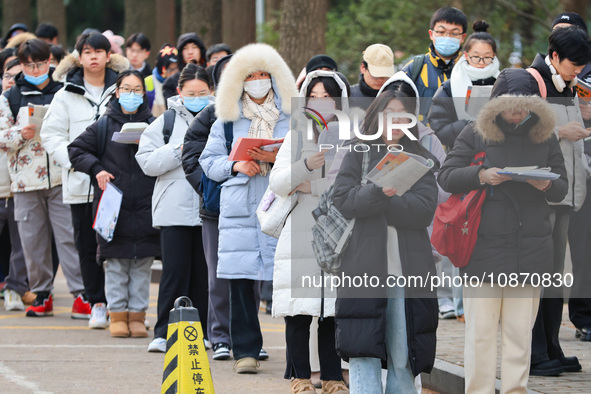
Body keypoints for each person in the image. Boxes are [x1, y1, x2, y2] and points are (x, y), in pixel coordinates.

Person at [438, 67, 568, 393]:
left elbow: (561, 187)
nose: (517, 113)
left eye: (524, 106)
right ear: (495, 104)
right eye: (510, 105)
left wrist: (545, 185)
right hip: (484, 249)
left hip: (532, 250)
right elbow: (447, 175)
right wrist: (482, 175)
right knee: (480, 335)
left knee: (519, 335)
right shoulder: (474, 132)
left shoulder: (546, 135)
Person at [331, 88, 439, 393]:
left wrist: (384, 200)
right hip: (364, 267)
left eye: (402, 116)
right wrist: (379, 192)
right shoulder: (357, 151)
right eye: (388, 115)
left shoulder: (420, 157)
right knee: (363, 352)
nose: (395, 122)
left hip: (408, 271)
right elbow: (343, 199)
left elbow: (424, 211)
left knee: (403, 353)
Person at [199, 43, 297, 374]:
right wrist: (236, 165)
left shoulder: (292, 116)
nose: (258, 81)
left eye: (264, 75)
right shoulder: (226, 120)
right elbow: (208, 161)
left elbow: (307, 155)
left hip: (281, 203)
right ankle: (246, 351)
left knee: (286, 281)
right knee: (240, 282)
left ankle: (297, 355)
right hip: (240, 209)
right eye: (250, 76)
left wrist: (276, 158)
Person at [40, 32, 130, 328]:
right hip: (81, 186)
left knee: (118, 242)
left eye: (99, 51)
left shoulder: (123, 89)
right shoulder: (64, 94)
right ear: (78, 57)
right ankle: (97, 303)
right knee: (87, 245)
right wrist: (76, 163)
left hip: (118, 184)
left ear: (108, 56)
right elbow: (51, 136)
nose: (93, 57)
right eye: (87, 52)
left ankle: (122, 303)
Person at [269, 70, 350, 394]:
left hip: (337, 231)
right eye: (314, 96)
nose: (321, 102)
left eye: (327, 96)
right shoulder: (295, 135)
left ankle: (332, 378)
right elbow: (278, 184)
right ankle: (300, 377)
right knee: (297, 312)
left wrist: (310, 184)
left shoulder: (351, 136)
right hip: (300, 232)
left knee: (331, 311)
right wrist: (305, 166)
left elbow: (348, 184)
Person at [68, 69, 159, 338]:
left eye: (137, 90)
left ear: (144, 94)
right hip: (113, 209)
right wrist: (96, 169)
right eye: (126, 90)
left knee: (142, 266)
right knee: (117, 266)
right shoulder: (104, 125)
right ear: (117, 92)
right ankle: (117, 315)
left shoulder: (154, 124)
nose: (132, 95)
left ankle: (138, 316)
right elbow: (76, 150)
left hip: (145, 207)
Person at [0, 39, 85, 317]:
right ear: (21, 65)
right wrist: (17, 135)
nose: (35, 69)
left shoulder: (64, 91)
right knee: (32, 240)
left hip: (62, 176)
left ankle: (81, 293)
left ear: (50, 61)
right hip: (25, 181)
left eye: (39, 63)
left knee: (68, 237)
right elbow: (2, 136)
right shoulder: (10, 96)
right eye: (28, 65)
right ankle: (41, 293)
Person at [527, 26, 591, 376]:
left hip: (566, 195)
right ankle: (535, 351)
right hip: (544, 196)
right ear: (554, 57)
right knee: (539, 276)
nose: (577, 71)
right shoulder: (533, 81)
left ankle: (552, 344)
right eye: (572, 65)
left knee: (553, 278)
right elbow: (516, 127)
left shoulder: (569, 84)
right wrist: (560, 131)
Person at [136, 62, 213, 352]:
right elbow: (147, 162)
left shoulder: (221, 119)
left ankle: (201, 333)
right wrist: (179, 149)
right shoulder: (164, 122)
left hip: (209, 209)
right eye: (191, 93)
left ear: (211, 91)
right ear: (179, 92)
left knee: (204, 275)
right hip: (174, 209)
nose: (197, 98)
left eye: (202, 92)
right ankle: (163, 332)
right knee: (174, 272)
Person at [182, 54, 235, 361]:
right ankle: (220, 336)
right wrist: (211, 187)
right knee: (217, 275)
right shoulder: (210, 114)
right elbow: (191, 156)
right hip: (216, 208)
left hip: (252, 207)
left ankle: (247, 335)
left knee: (251, 277)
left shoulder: (266, 113)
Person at [549, 12, 591, 344]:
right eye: (558, 34)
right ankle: (548, 330)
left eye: (570, 32)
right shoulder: (543, 77)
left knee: (585, 249)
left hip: (586, 171)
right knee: (550, 254)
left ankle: (584, 316)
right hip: (558, 174)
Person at [428, 20, 500, 150]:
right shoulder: (450, 87)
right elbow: (439, 130)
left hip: (498, 153)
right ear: (466, 55)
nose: (481, 62)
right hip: (462, 154)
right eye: (476, 57)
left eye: (487, 57)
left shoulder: (503, 83)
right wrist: (470, 125)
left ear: (494, 56)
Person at [401, 6, 467, 122]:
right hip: (420, 137)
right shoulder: (414, 68)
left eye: (454, 33)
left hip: (458, 138)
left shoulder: (470, 70)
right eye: (441, 32)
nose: (447, 37)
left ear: (462, 37)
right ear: (431, 34)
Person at [162, 33, 207, 103]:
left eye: (194, 47)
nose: (190, 52)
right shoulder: (171, 82)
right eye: (185, 48)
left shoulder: (211, 75)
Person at [349, 44, 395, 110]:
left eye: (385, 75)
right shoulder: (348, 97)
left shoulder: (399, 97)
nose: (380, 80)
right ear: (363, 68)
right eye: (376, 75)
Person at [145, 44, 179, 117]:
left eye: (177, 68)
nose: (174, 73)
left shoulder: (183, 82)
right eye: (171, 69)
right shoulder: (148, 82)